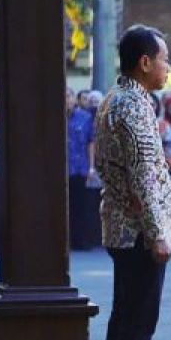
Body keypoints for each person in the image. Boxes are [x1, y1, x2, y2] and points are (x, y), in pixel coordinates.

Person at [95, 25, 171, 340]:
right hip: (137, 234)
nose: (168, 67)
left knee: (125, 322)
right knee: (136, 325)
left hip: (123, 227)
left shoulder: (119, 98)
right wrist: (159, 233)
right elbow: (145, 175)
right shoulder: (133, 104)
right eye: (164, 58)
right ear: (144, 62)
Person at [67, 86, 97, 250]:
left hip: (80, 166)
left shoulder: (85, 117)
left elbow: (90, 142)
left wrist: (91, 166)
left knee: (81, 205)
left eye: (69, 96)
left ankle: (81, 240)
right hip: (63, 168)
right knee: (65, 206)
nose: (67, 100)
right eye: (64, 96)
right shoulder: (56, 117)